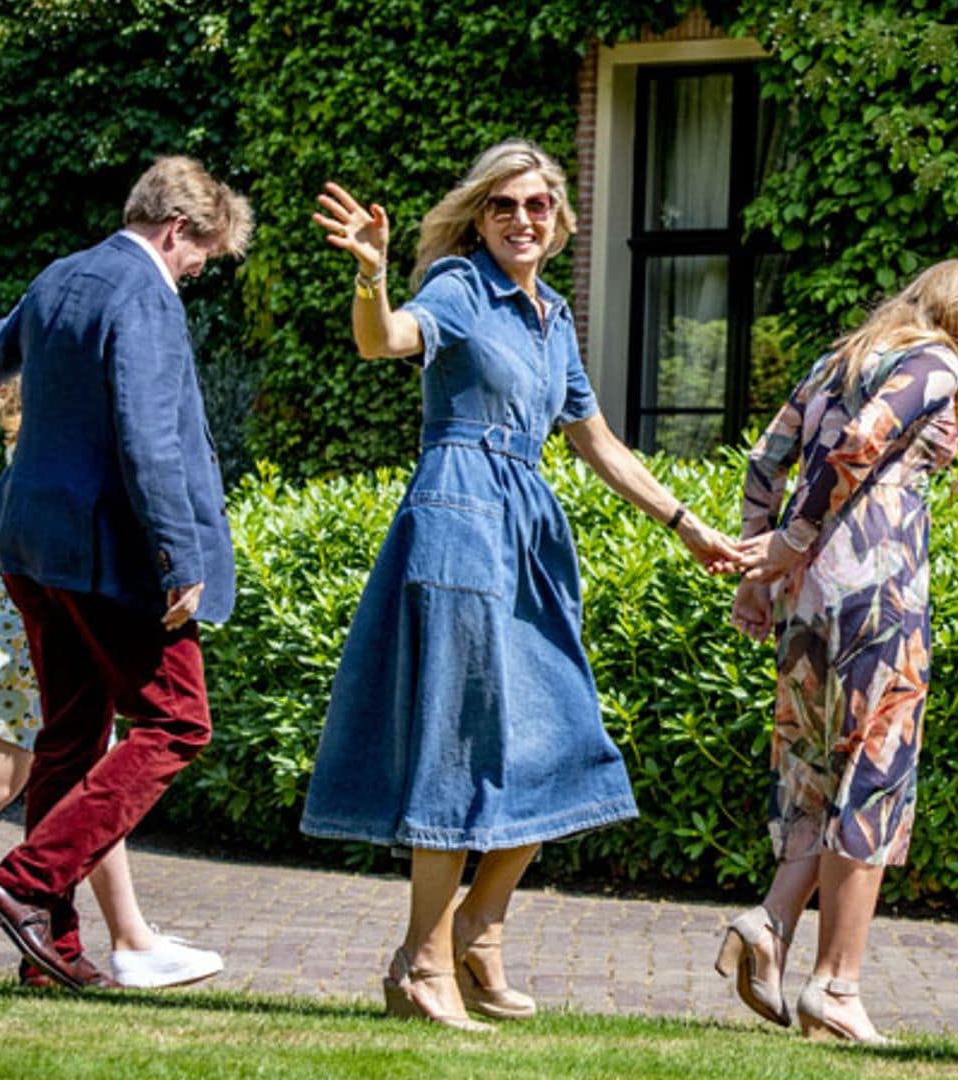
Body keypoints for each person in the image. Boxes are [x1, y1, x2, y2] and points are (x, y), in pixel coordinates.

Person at [298, 140, 744, 1032]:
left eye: (537, 205)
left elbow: (597, 440)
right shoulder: (461, 287)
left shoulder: (554, 317)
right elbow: (387, 341)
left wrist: (687, 525)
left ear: (559, 219)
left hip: (529, 533)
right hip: (458, 514)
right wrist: (372, 279)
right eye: (503, 206)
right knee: (456, 741)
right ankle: (424, 961)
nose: (521, 219)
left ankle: (478, 931)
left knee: (561, 733)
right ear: (479, 216)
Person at [0, 156, 251, 992]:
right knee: (178, 723)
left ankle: (50, 954)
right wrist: (178, 558)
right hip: (111, 555)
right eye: (202, 257)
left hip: (31, 548)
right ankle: (25, 881)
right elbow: (150, 439)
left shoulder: (58, 276)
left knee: (72, 735)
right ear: (175, 231)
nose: (197, 274)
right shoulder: (146, 294)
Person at [722, 258, 958, 1043]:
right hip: (876, 593)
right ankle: (837, 987)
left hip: (807, 597)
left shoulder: (838, 359)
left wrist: (763, 570)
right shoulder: (937, 361)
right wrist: (793, 537)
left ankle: (771, 924)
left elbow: (764, 462)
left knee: (818, 776)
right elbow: (863, 440)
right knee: (873, 776)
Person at [0, 384, 223, 989]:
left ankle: (120, 937)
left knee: (85, 779)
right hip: (31, 625)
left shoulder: (35, 450)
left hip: (17, 617)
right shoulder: (52, 454)